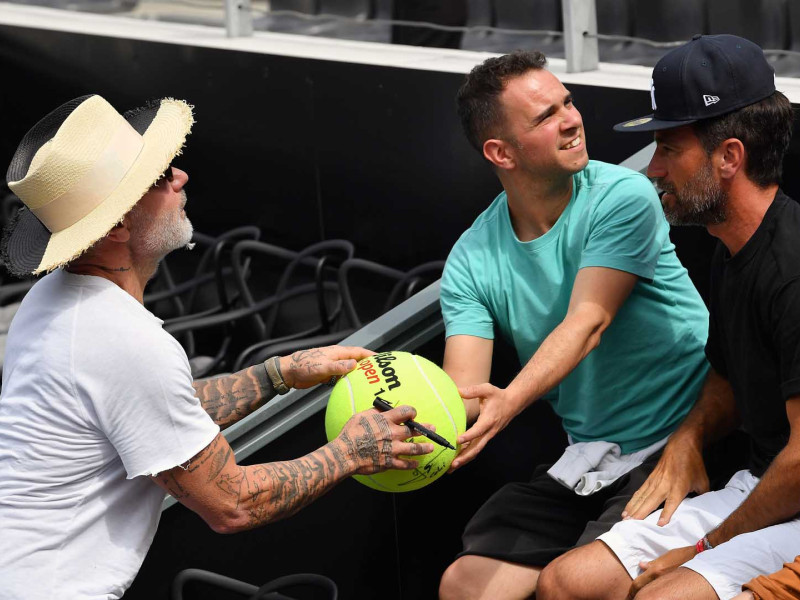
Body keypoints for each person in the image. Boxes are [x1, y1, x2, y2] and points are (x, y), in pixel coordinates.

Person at [0, 94, 433, 600]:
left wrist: (279, 374)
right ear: (117, 226)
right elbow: (234, 505)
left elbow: (154, 409)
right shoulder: (124, 342)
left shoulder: (51, 298)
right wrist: (351, 452)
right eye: (160, 177)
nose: (180, 176)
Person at [437, 50, 710, 599]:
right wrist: (412, 416)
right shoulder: (469, 258)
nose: (572, 119)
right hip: (589, 457)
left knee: (573, 587)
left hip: (691, 440)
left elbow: (589, 321)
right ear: (500, 152)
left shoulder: (625, 196)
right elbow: (464, 395)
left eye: (568, 102)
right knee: (463, 585)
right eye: (545, 116)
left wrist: (506, 404)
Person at [537, 34, 800, 600]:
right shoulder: (729, 249)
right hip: (762, 485)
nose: (652, 169)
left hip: (794, 497)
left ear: (729, 157)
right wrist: (689, 437)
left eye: (668, 148)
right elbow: (730, 375)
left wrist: (704, 549)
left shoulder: (793, 268)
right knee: (566, 583)